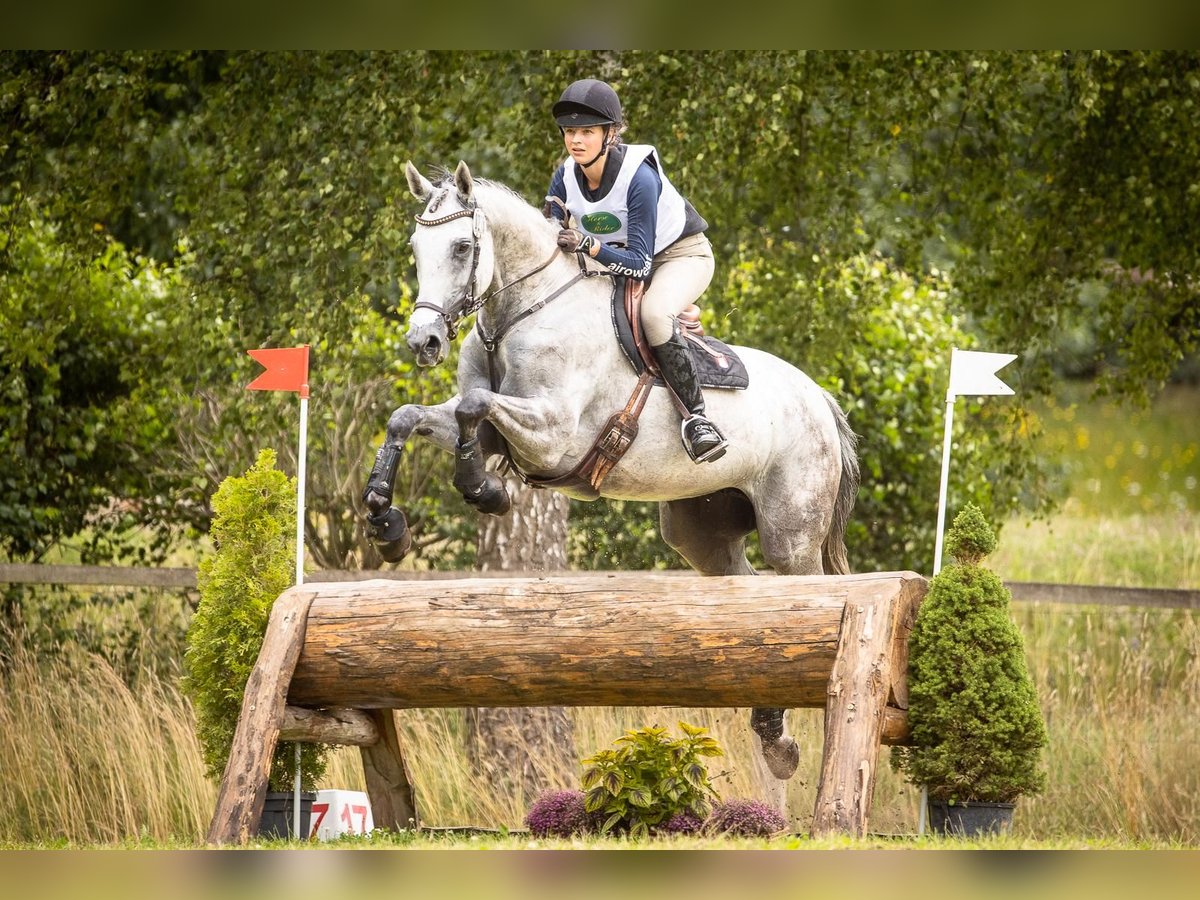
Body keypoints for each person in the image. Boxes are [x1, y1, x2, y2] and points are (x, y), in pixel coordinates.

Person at [543, 78, 728, 464]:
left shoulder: (639, 177)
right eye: (570, 131)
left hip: (680, 256)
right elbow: (549, 232)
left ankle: (698, 420)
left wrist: (588, 244)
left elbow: (642, 264)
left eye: (587, 132)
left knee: (655, 313)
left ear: (610, 135)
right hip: (616, 260)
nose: (576, 140)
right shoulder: (564, 176)